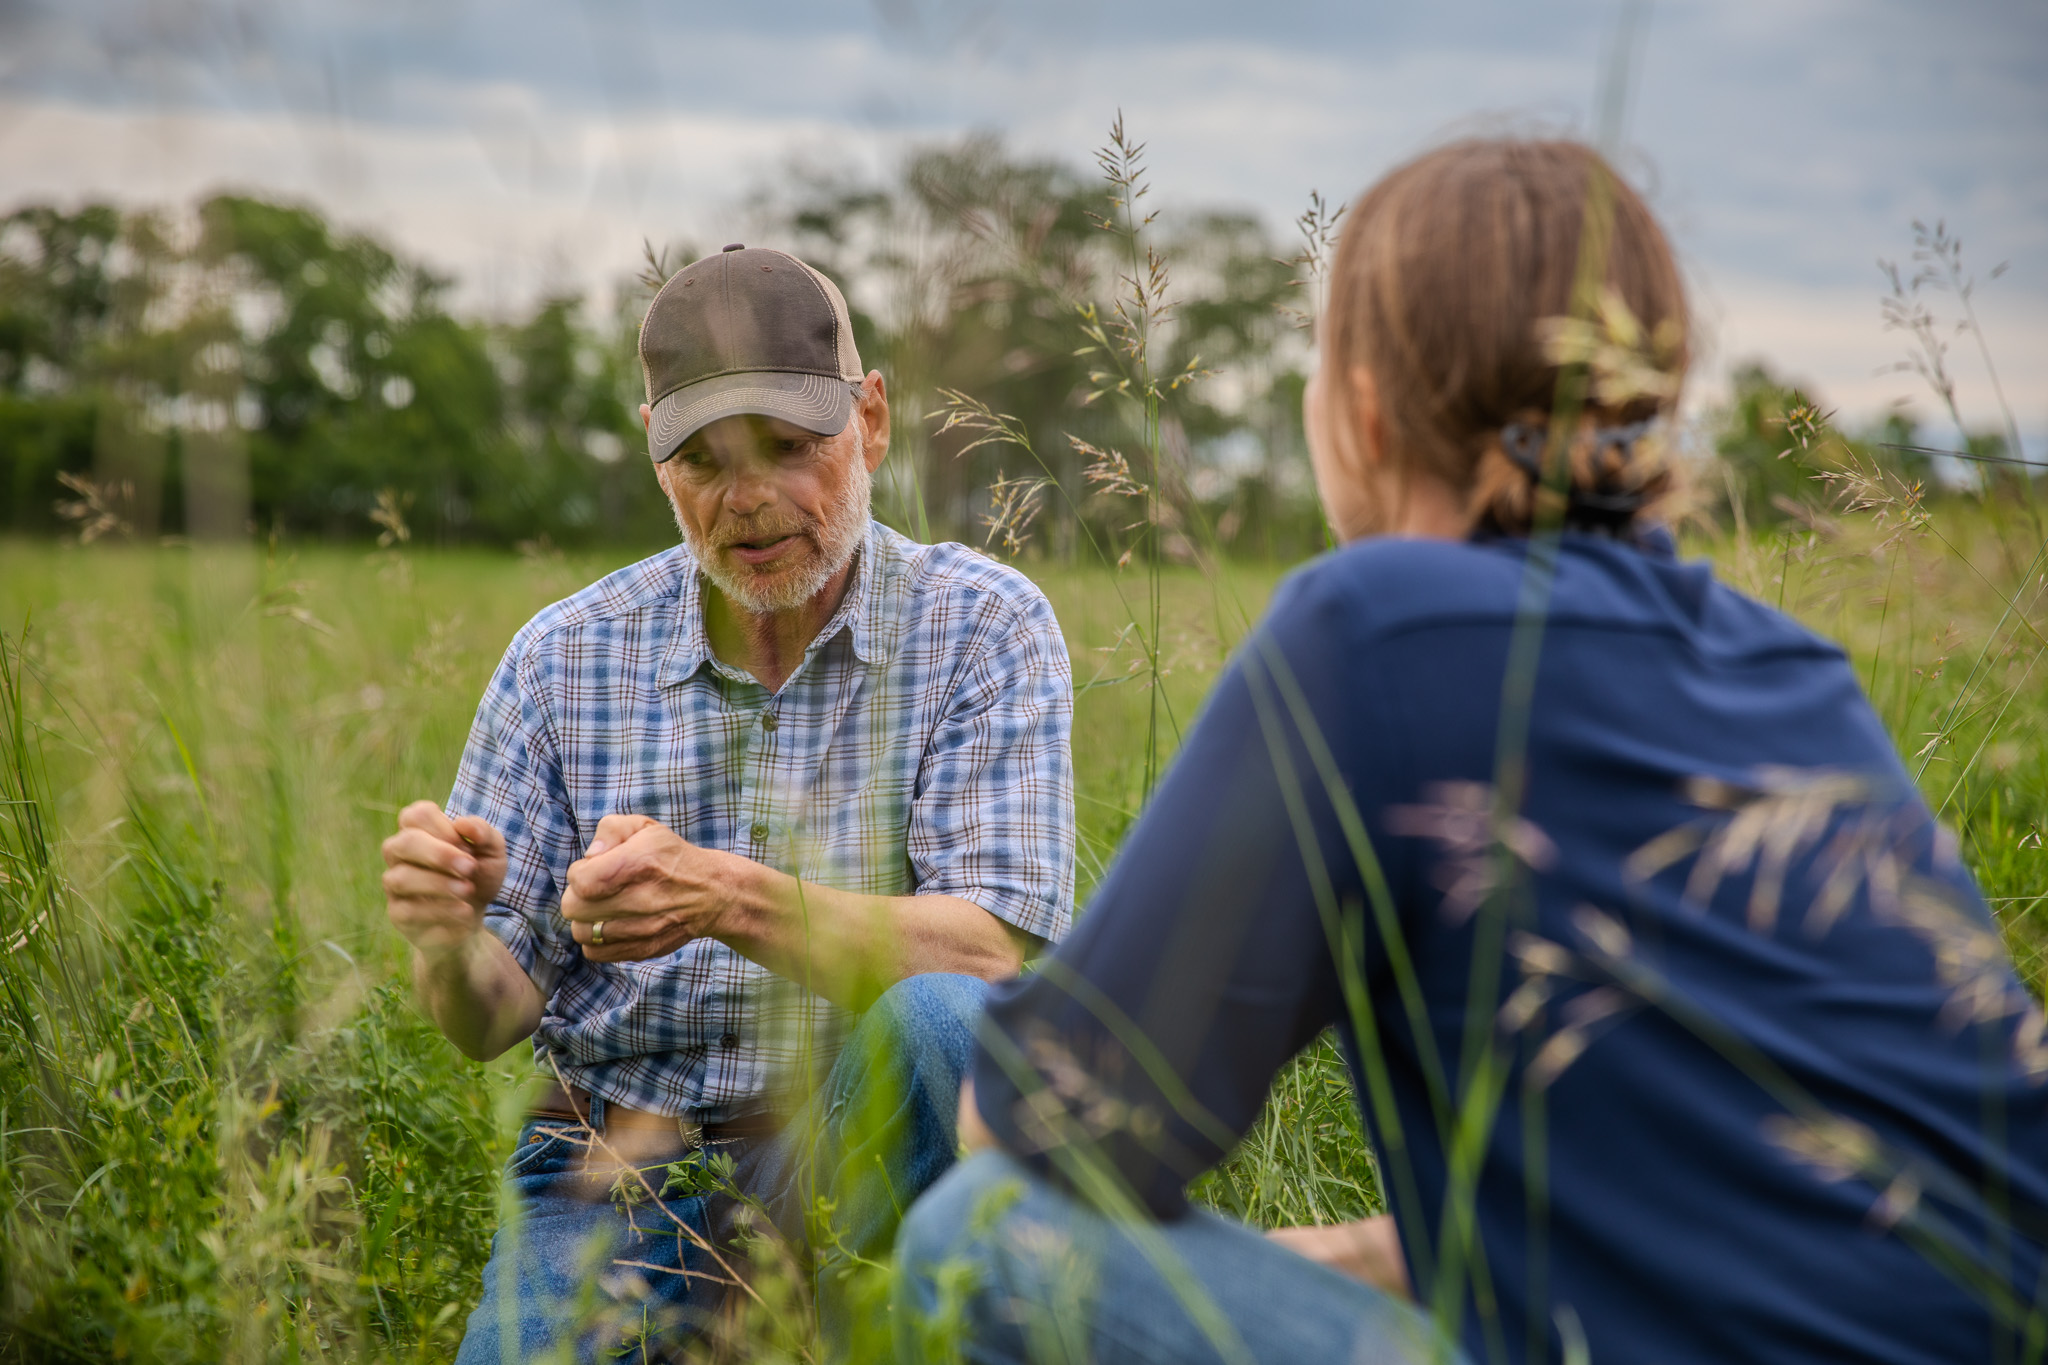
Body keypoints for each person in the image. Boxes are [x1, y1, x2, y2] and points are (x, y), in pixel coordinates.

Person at [895, 138, 2048, 1365]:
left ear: (1363, 409)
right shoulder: (1788, 664)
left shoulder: (1374, 621)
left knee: (981, 1236)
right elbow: (1707, 1194)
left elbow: (1041, 1126)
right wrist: (1323, 1266)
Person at [379, 243, 1075, 1361]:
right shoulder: (564, 654)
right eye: (702, 461)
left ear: (873, 421)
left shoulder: (981, 626)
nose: (747, 502)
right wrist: (448, 935)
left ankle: (833, 1315)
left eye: (790, 451)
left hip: (858, 1149)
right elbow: (484, 1018)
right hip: (608, 1173)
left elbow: (988, 959)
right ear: (659, 459)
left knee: (942, 1019)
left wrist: (720, 896)